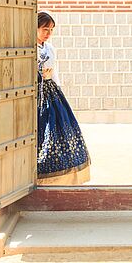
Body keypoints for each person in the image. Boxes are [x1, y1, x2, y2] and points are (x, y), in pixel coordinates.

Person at [36, 11, 91, 185]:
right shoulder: (27, 48)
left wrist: (58, 91)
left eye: (51, 29)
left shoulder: (50, 49)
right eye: (45, 29)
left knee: (59, 130)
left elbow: (55, 73)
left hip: (51, 93)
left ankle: (60, 177)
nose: (48, 33)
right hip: (35, 92)